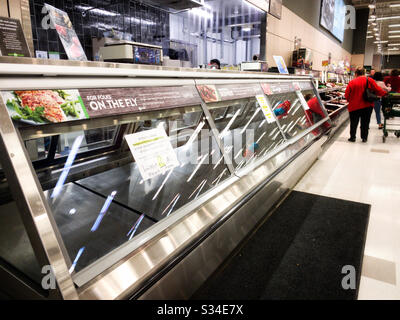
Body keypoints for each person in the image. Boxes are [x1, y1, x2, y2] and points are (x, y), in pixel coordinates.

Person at [345, 67, 387, 143]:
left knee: (354, 122)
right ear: (364, 73)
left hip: (354, 106)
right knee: (365, 122)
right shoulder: (370, 80)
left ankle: (352, 137)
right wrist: (385, 94)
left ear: (356, 74)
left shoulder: (352, 82)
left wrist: (349, 100)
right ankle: (364, 138)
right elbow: (378, 90)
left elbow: (347, 95)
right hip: (367, 105)